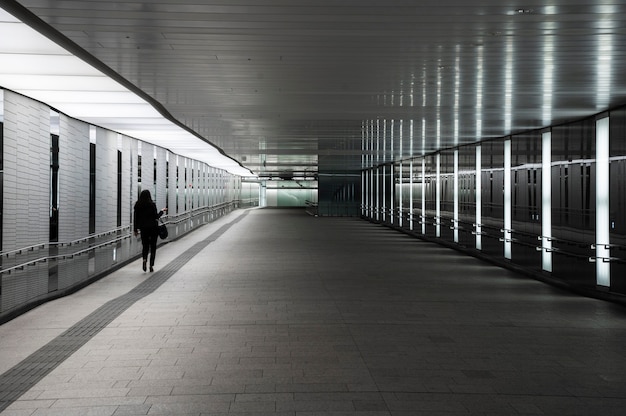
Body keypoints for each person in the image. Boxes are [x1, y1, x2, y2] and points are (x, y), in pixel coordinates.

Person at [133, 190, 167, 272]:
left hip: (143, 229)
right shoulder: (152, 205)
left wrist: (135, 229)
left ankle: (144, 259)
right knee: (153, 247)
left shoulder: (138, 205)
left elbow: (135, 218)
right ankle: (151, 265)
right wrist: (162, 211)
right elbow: (156, 217)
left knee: (145, 246)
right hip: (153, 228)